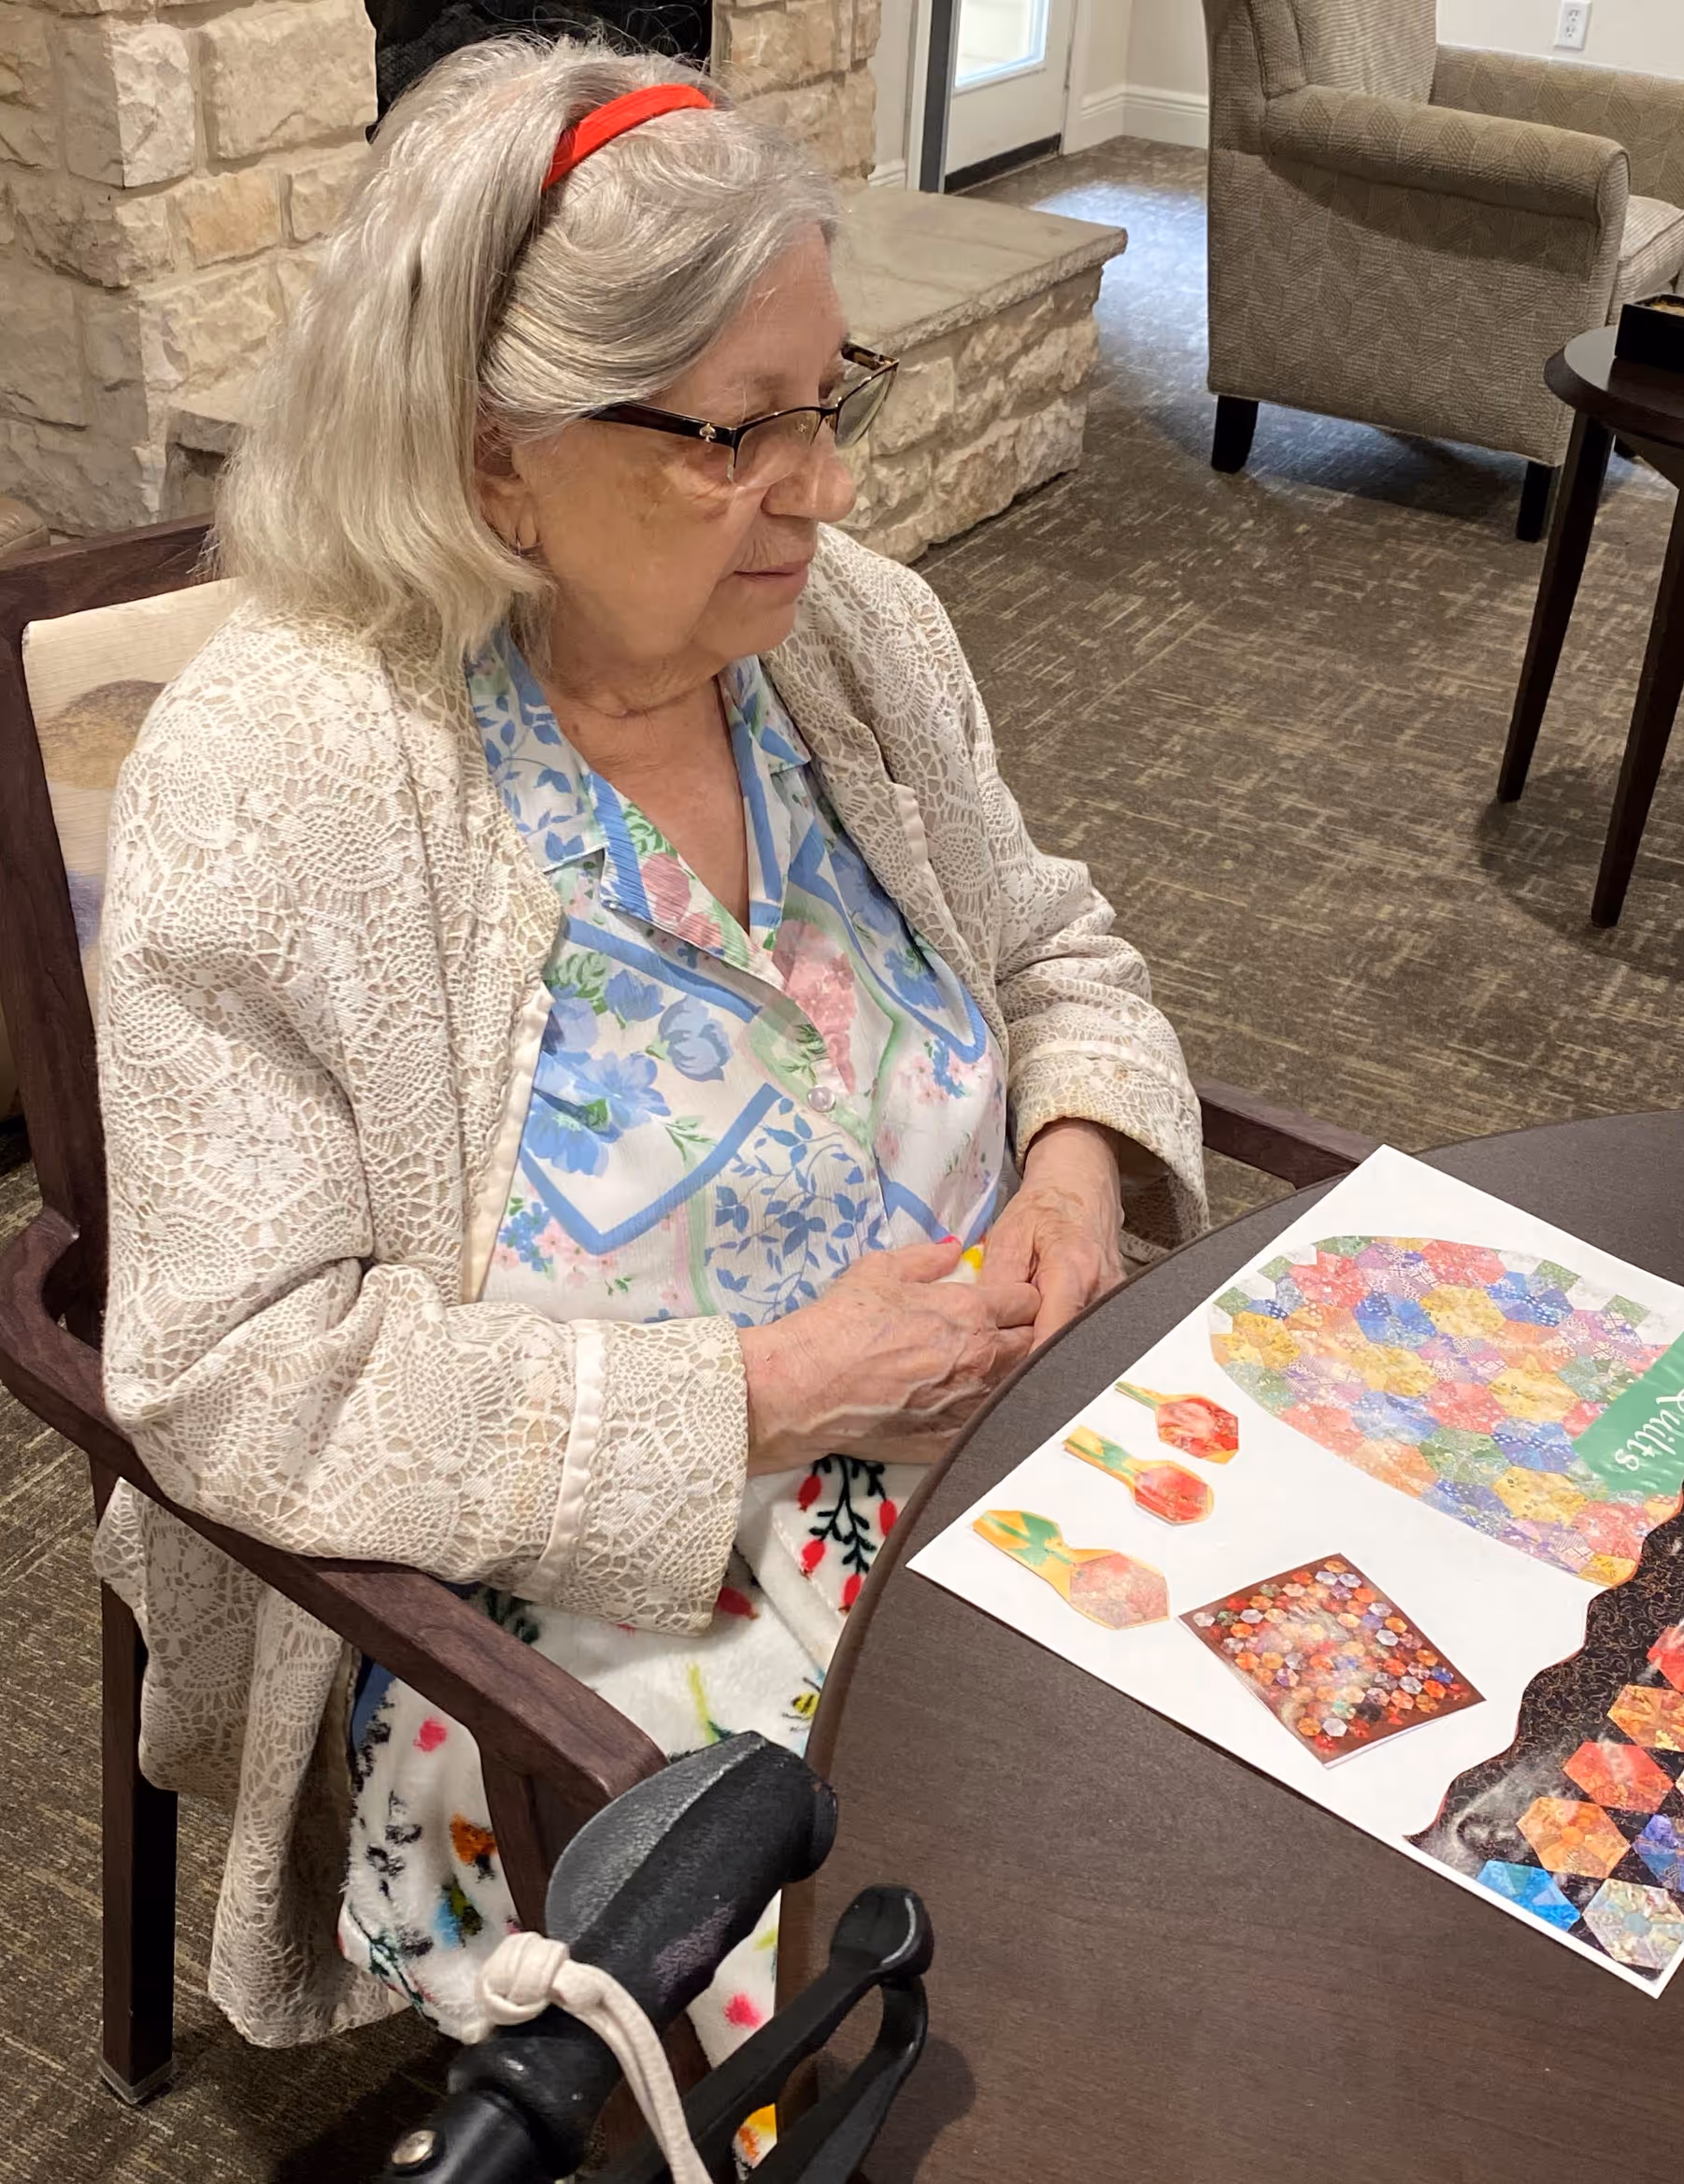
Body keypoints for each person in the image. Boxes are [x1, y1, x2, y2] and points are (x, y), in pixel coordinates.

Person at [94, 33, 1207, 2057]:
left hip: (1015, 1440)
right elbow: (238, 1378)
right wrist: (762, 1396)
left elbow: (1054, 944)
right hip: (596, 1607)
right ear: (488, 451)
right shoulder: (283, 777)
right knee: (1051, 2008)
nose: (831, 488)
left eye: (827, 402)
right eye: (736, 435)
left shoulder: (846, 633)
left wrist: (1069, 1166)